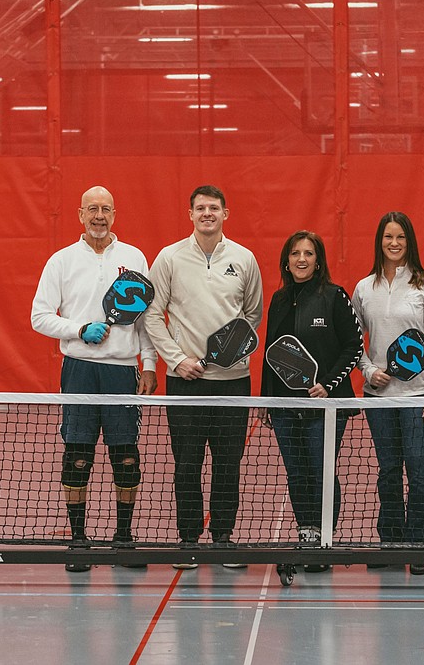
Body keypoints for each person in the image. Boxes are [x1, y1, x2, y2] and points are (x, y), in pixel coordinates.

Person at [31, 185, 158, 573]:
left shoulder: (134, 257)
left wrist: (149, 363)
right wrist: (78, 328)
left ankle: (123, 539)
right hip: (80, 370)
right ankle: (78, 541)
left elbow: (145, 317)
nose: (99, 216)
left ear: (115, 214)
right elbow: (39, 316)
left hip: (122, 371)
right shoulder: (61, 261)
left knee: (126, 457)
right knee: (78, 456)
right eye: (92, 209)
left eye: (105, 209)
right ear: (80, 214)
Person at [142, 185, 263, 569]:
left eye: (214, 208)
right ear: (189, 214)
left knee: (229, 464)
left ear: (226, 213)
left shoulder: (244, 259)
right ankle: (189, 539)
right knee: (187, 464)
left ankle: (223, 538)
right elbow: (151, 313)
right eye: (200, 208)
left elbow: (253, 315)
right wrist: (176, 360)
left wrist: (230, 353)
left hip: (233, 383)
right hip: (185, 382)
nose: (207, 213)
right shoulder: (169, 258)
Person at [261, 230, 363, 573]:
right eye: (295, 254)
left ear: (318, 261)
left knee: (321, 471)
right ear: (286, 261)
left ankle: (324, 541)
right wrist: (267, 400)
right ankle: (306, 532)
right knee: (297, 472)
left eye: (308, 254)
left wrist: (328, 385)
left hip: (327, 405)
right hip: (285, 406)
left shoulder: (335, 296)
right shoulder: (278, 300)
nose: (301, 259)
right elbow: (271, 355)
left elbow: (354, 346)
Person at [351, 212, 424, 576]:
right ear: (379, 241)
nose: (394, 243)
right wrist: (368, 370)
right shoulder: (365, 287)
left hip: (418, 397)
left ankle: (420, 545)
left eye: (401, 238)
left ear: (410, 242)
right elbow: (353, 341)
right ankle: (390, 541)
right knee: (389, 470)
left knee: (419, 471)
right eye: (388, 237)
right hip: (379, 398)